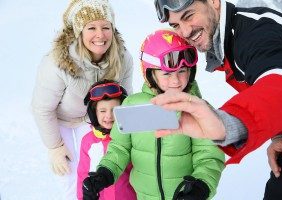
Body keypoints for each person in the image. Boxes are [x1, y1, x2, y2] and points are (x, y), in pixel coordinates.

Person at [152, 0, 282, 198]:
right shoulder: (232, 40)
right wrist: (280, 133)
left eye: (188, 16)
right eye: (176, 25)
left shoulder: (256, 31)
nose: (185, 32)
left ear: (213, 2)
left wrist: (224, 124)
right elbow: (269, 81)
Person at [82, 29, 225, 200]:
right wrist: (105, 173)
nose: (176, 80)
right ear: (150, 74)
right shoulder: (134, 106)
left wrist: (200, 186)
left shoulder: (198, 110)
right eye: (167, 73)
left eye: (182, 71)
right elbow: (120, 148)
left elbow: (208, 156)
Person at [31, 0, 133, 199]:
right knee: (67, 170)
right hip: (60, 118)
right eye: (91, 28)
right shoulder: (58, 62)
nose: (100, 35)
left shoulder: (122, 57)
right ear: (79, 31)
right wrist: (55, 147)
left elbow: (125, 101)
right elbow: (42, 108)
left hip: (94, 116)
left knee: (99, 164)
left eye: (105, 27)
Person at [77, 80, 136, 200]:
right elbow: (83, 174)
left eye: (114, 110)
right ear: (94, 113)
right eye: (102, 111)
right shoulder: (88, 141)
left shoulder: (130, 137)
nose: (109, 116)